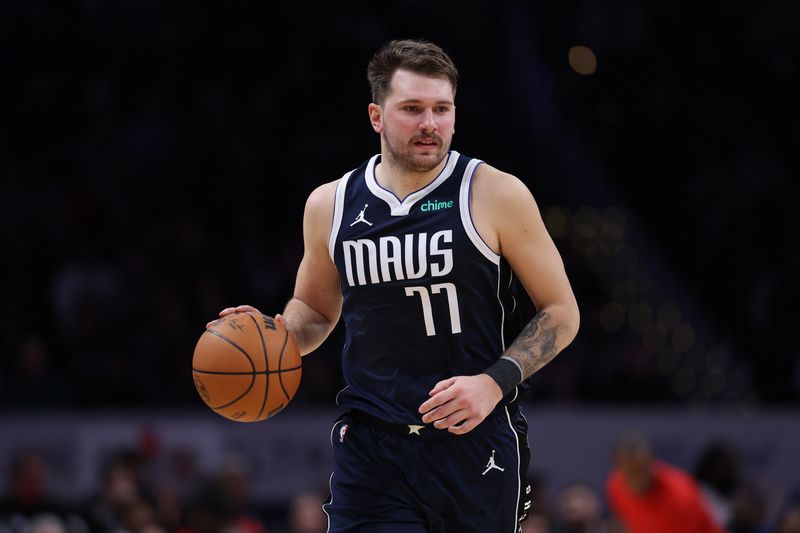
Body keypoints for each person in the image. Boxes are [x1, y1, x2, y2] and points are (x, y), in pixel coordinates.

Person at [212, 39, 580, 532]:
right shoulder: (330, 204)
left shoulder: (495, 193)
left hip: (474, 440)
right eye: (412, 109)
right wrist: (273, 335)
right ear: (376, 117)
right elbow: (315, 312)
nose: (430, 123)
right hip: (371, 444)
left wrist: (495, 381)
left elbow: (561, 311)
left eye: (441, 109)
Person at [605, 432, 723, 533]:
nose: (635, 475)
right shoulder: (615, 485)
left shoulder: (680, 497)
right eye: (628, 469)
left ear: (652, 462)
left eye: (640, 468)